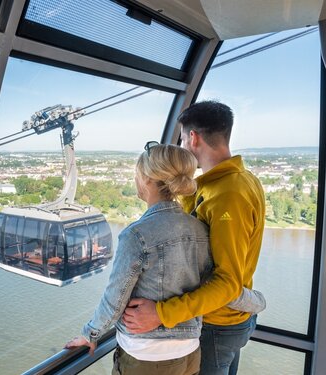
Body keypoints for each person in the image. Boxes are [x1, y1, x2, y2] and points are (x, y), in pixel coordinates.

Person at [122, 101, 266, 375]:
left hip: (216, 325)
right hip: (222, 321)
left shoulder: (228, 195)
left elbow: (227, 283)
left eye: (181, 139)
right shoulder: (225, 183)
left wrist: (161, 314)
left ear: (193, 137)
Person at [65, 143, 211, 375]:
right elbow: (210, 287)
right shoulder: (200, 230)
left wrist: (90, 334)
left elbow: (116, 298)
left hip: (146, 355)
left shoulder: (136, 235)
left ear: (147, 179)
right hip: (189, 352)